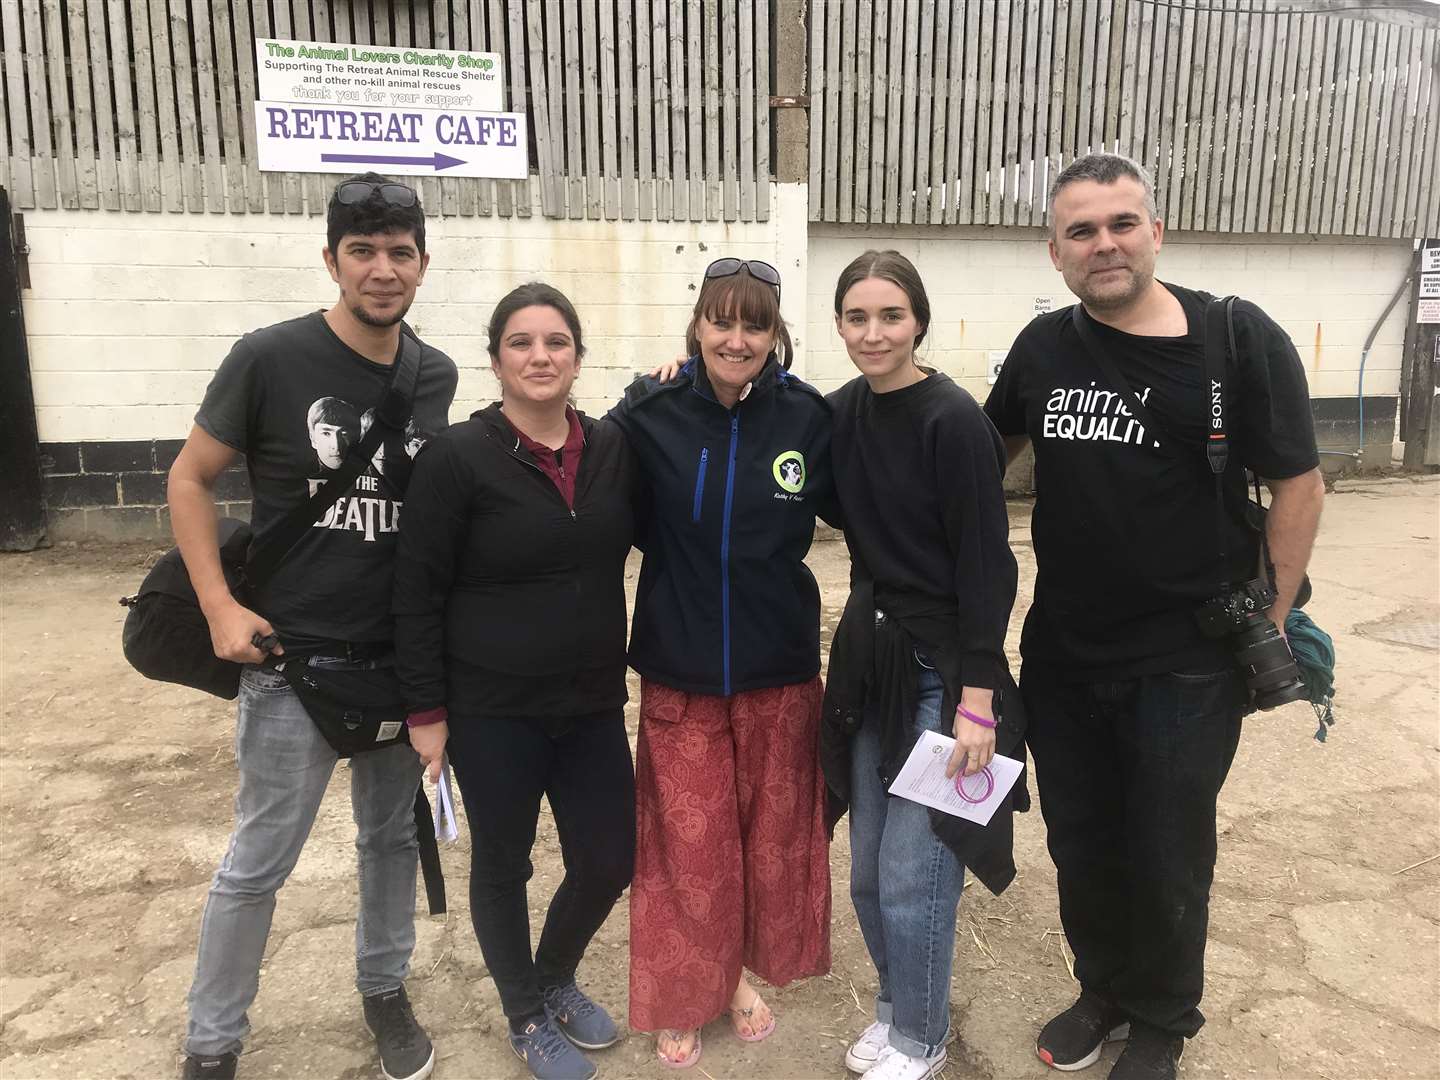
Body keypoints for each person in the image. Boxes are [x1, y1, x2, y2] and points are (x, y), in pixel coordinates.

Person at [984, 153, 1325, 1080]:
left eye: (1121, 223)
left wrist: (1277, 612)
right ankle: (1102, 991)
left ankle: (1163, 1019)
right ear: (1054, 251)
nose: (1105, 244)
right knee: (1083, 840)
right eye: (1082, 231)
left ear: (1156, 231)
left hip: (1189, 662)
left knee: (1168, 850)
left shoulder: (1235, 339)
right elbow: (978, 452)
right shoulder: (1043, 348)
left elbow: (1299, 480)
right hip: (1063, 653)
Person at [167, 173, 456, 1080]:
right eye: (362, 252)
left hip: (394, 665)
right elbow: (189, 478)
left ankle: (384, 992)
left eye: (399, 253)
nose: (382, 270)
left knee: (390, 842)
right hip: (287, 663)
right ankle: (212, 1045)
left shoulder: (435, 374)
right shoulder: (269, 358)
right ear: (330, 259)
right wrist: (219, 604)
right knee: (258, 862)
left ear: (421, 262)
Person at [392, 283, 639, 1080]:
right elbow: (418, 591)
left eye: (557, 341)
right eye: (522, 342)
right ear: (495, 357)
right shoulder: (457, 460)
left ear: (578, 356)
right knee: (503, 863)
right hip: (493, 706)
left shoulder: (609, 450)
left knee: (609, 858)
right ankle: (525, 1015)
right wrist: (426, 711)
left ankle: (555, 973)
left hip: (593, 701)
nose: (541, 356)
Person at [607, 258, 836, 1069]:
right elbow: (593, 492)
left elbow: (871, 501)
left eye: (755, 325)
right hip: (681, 668)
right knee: (684, 849)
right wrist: (636, 389)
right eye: (722, 321)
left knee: (762, 839)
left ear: (777, 338)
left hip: (780, 670)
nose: (736, 339)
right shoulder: (651, 411)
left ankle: (734, 978)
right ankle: (683, 995)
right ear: (697, 326)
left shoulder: (809, 418)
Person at [820, 250, 1023, 1080]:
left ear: (919, 321)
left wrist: (978, 696)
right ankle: (896, 1007)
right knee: (867, 875)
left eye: (891, 316)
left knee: (916, 871)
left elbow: (988, 564)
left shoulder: (954, 421)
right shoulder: (839, 414)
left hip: (946, 678)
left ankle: (923, 1039)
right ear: (838, 324)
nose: (874, 334)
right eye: (857, 317)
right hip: (872, 667)